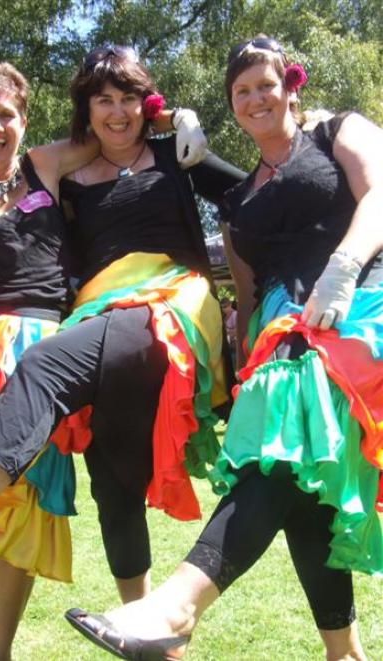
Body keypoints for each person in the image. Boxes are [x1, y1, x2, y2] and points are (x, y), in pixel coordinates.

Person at [0, 44, 244, 630]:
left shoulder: (127, 159)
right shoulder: (31, 183)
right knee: (111, 482)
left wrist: (174, 119)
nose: (116, 112)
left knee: (40, 393)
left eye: (128, 98)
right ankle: (148, 630)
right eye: (103, 100)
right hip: (70, 326)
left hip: (125, 320)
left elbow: (240, 189)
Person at [64, 36, 383, 661]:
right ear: (233, 109)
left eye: (265, 84)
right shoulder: (238, 200)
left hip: (359, 309)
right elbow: (244, 289)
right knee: (296, 477)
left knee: (278, 458)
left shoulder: (338, 130)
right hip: (279, 335)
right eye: (241, 91)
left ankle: (175, 606)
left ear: (291, 85)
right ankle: (345, 655)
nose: (255, 97)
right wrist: (237, 373)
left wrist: (341, 268)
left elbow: (379, 192)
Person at [220, 296, 237, 367]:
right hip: (228, 346)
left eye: (225, 306)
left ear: (230, 305)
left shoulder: (235, 314)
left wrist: (227, 332)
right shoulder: (224, 316)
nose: (224, 309)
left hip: (234, 346)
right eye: (222, 307)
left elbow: (237, 331)